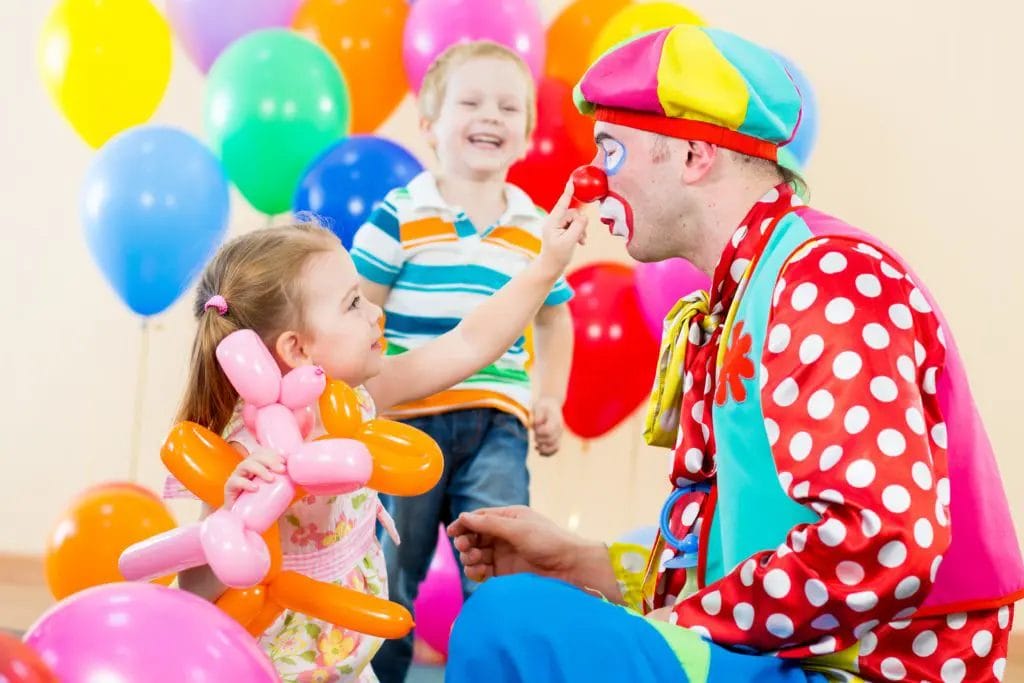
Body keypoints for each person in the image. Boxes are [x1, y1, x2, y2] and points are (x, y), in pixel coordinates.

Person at [444, 24, 1024, 682]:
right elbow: (744, 543)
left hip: (865, 671)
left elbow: (882, 539)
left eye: (610, 151)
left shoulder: (825, 277)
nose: (590, 182)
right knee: (528, 606)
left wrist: (667, 626)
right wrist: (588, 563)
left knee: (510, 623)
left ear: (694, 155)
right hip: (802, 657)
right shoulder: (749, 290)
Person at [165, 200, 585, 683]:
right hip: (272, 664)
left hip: (346, 652)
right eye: (353, 303)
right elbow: (195, 593)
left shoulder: (355, 402)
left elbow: (469, 342)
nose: (375, 312)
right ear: (297, 349)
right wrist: (230, 514)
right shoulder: (246, 449)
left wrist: (547, 265)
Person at [350, 41, 575, 681]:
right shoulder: (402, 212)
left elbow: (555, 316)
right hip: (405, 423)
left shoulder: (535, 227)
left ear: (527, 134)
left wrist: (549, 397)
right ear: (429, 127)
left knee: (503, 566)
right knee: (391, 574)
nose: (492, 116)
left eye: (509, 107)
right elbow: (359, 307)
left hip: (496, 423)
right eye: (471, 102)